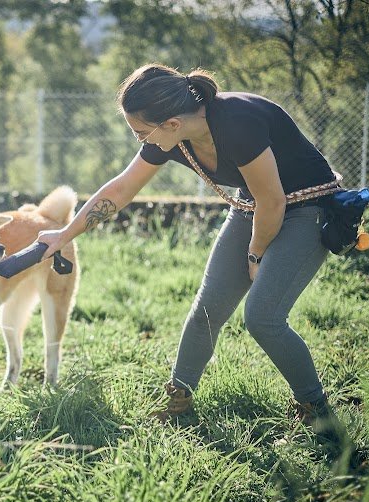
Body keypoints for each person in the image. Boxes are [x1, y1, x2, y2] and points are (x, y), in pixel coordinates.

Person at [36, 63, 349, 443]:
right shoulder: (173, 138)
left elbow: (275, 201)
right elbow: (120, 189)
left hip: (307, 209)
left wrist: (255, 255)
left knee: (263, 318)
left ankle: (318, 412)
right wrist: (63, 234)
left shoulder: (238, 122)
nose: (140, 142)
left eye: (140, 132)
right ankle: (178, 401)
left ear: (171, 123)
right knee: (207, 309)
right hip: (254, 205)